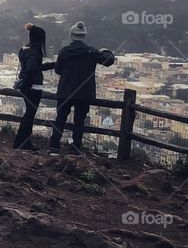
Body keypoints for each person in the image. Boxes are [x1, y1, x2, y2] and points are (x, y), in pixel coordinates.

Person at [48, 21, 115, 156]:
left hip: (65, 91)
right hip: (84, 92)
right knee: (79, 121)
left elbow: (58, 70)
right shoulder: (91, 52)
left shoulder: (64, 51)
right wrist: (105, 51)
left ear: (71, 35)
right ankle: (76, 148)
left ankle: (54, 147)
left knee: (60, 118)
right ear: (84, 35)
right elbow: (109, 61)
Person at [13, 23, 55, 151]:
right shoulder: (35, 51)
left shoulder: (24, 49)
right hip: (33, 86)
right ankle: (23, 142)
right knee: (30, 114)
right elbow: (32, 69)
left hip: (25, 85)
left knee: (29, 113)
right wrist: (29, 81)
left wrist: (52, 65)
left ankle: (21, 141)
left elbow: (32, 67)